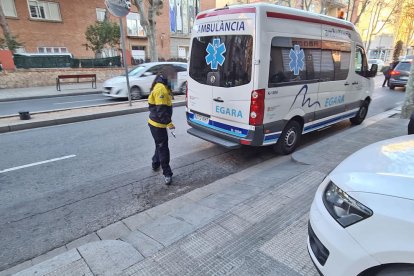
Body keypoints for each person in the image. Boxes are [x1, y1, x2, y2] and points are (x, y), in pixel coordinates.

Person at [148, 73, 175, 185]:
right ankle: (167, 173)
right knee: (163, 148)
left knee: (159, 144)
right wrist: (169, 123)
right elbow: (161, 110)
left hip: (156, 124)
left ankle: (155, 162)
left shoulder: (160, 86)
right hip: (158, 125)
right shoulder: (161, 89)